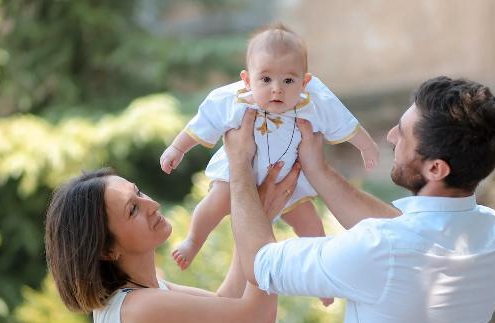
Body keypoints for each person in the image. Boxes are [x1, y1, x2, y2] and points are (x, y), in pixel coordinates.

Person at [225, 76, 495, 323]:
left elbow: (258, 264)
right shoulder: (493, 232)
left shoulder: (382, 248)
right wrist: (317, 169)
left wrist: (238, 166)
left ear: (436, 169)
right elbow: (405, 235)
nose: (391, 137)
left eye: (403, 134)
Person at [44, 149, 298, 323]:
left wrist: (259, 215)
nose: (152, 205)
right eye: (133, 210)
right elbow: (259, 315)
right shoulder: (140, 309)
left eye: (139, 193)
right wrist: (254, 210)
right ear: (107, 250)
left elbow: (229, 300)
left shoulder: (142, 297)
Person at [159, 23, 379, 273]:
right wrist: (177, 148)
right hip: (238, 177)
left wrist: (367, 146)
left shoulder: (314, 103)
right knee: (214, 204)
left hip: (289, 181)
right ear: (247, 80)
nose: (277, 88)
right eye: (265, 79)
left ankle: (321, 273)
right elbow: (205, 120)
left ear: (305, 82)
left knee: (311, 225)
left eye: (288, 80)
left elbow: (342, 119)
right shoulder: (236, 100)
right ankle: (193, 241)